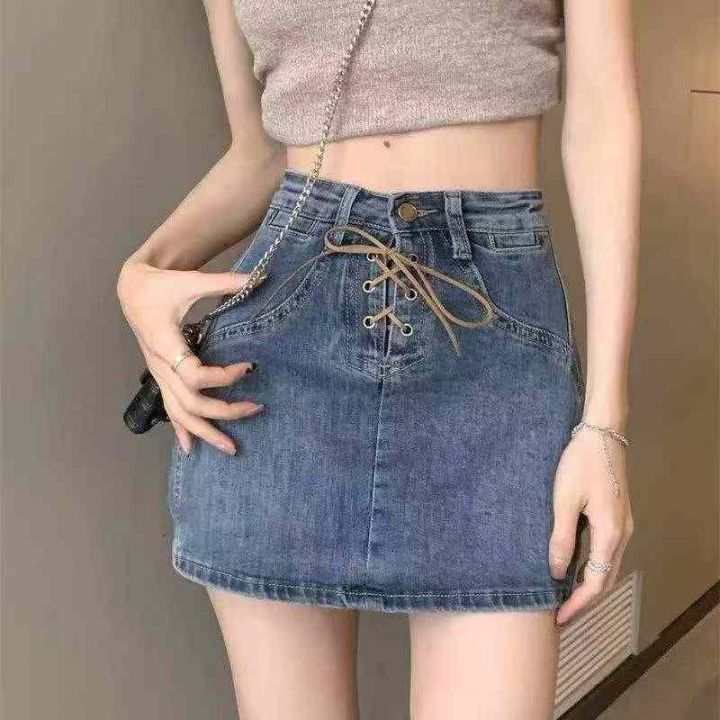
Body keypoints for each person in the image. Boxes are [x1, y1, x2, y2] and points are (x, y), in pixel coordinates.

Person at [116, 0, 640, 717]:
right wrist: (142, 272)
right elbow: (259, 152)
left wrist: (605, 422)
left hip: (491, 341)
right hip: (279, 358)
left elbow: (604, 122)